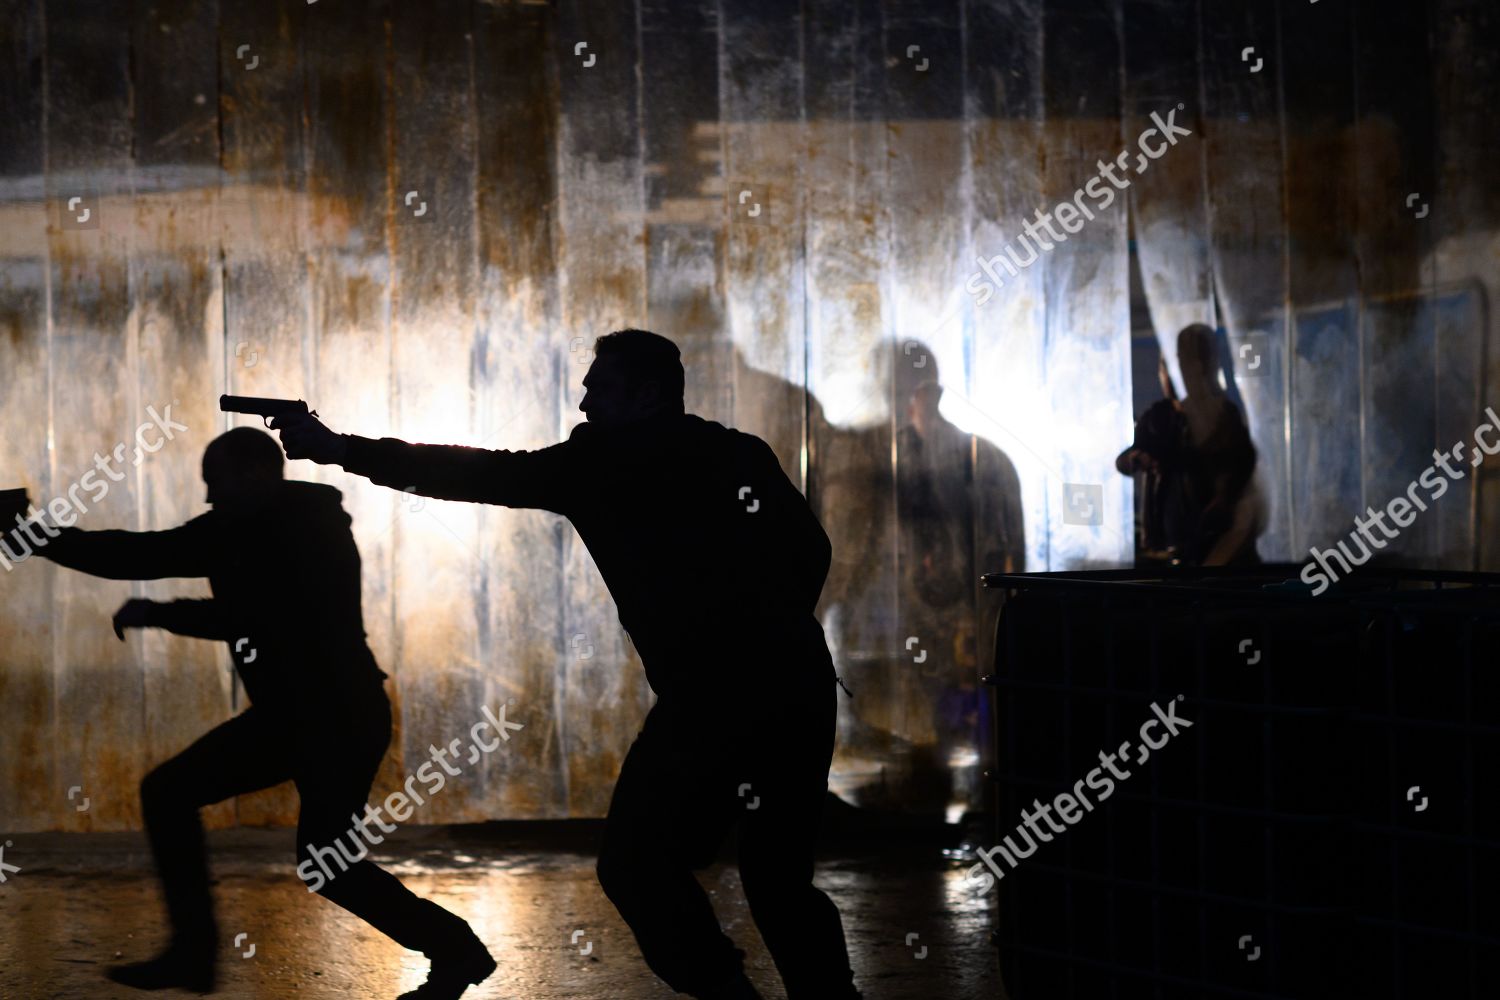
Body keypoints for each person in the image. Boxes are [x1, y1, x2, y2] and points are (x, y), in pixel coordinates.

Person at [273, 329, 862, 1000]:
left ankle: (728, 992)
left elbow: (470, 473)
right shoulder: (736, 454)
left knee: (636, 865)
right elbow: (810, 552)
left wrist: (341, 449)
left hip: (709, 701)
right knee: (777, 878)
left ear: (645, 394)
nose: (584, 405)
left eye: (598, 390)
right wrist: (766, 633)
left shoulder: (599, 466)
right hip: (796, 689)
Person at [0, 429, 494, 999]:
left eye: (216, 482)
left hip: (322, 717)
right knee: (326, 862)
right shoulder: (264, 524)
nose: (209, 497)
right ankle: (454, 950)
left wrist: (148, 605)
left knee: (174, 795)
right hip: (331, 715)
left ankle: (194, 953)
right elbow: (143, 553)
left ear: (255, 474)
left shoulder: (291, 529)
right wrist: (38, 537)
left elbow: (247, 612)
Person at [1116, 323, 1262, 566]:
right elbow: (1130, 458)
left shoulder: (1224, 415)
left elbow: (1239, 465)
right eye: (1176, 361)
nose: (1183, 370)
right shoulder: (1160, 417)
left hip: (1215, 541)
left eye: (1191, 359)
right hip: (1178, 545)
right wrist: (1136, 458)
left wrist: (1223, 496)